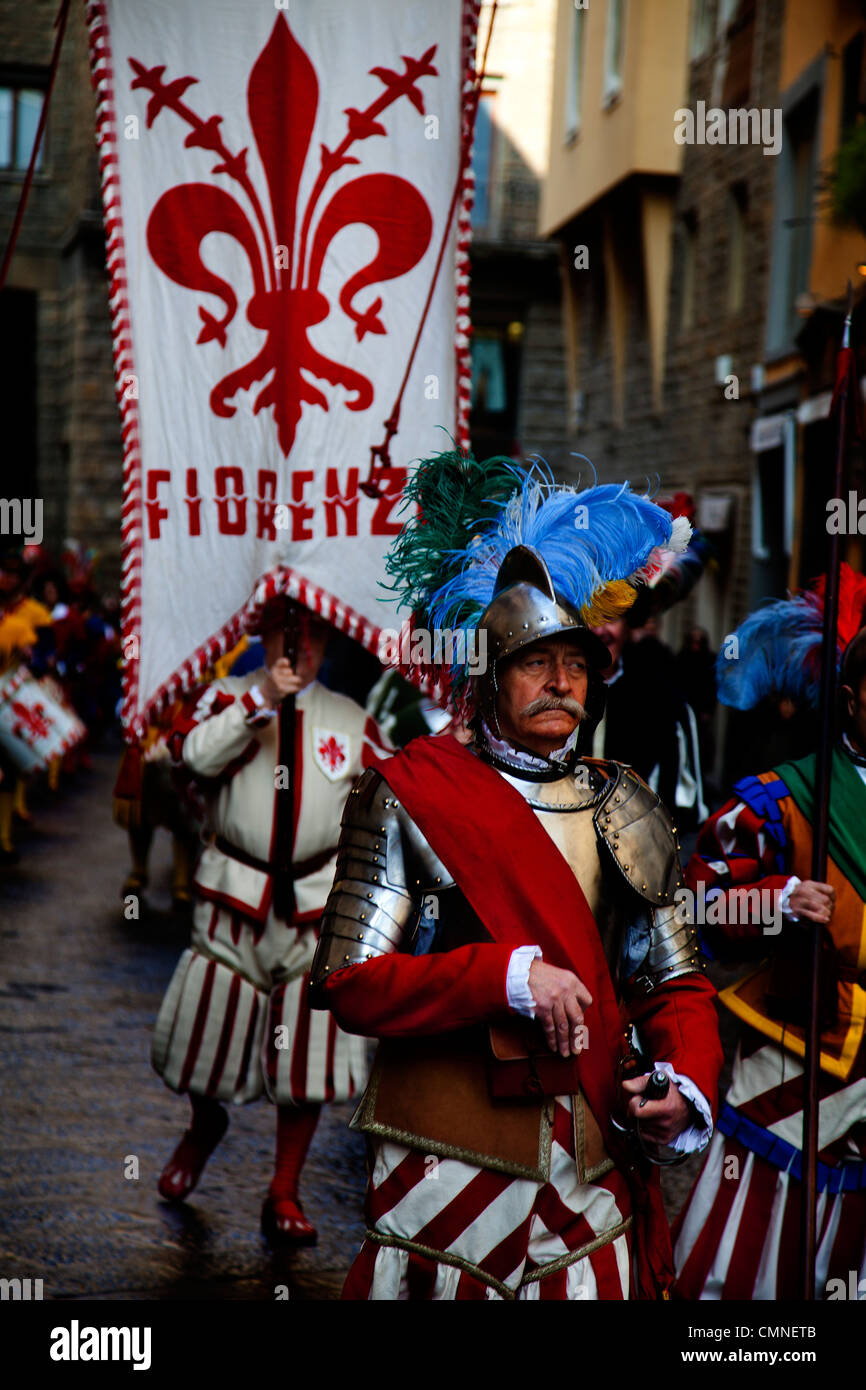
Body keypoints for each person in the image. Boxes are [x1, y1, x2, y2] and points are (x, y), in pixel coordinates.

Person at [309, 456, 723, 1300]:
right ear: (489, 677)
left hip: (592, 1156)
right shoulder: (408, 793)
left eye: (577, 664)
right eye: (537, 662)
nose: (562, 682)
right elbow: (351, 986)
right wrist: (503, 975)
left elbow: (675, 980)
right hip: (447, 1160)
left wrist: (686, 1084)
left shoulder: (625, 802)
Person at [151, 589, 390, 1244]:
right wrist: (258, 702)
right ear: (263, 635)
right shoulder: (225, 696)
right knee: (206, 1032)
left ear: (327, 641)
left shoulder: (349, 717)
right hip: (233, 895)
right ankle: (205, 1125)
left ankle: (283, 1188)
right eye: (286, 634)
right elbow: (192, 759)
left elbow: (393, 799)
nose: (299, 647)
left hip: (315, 906)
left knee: (309, 1051)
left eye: (311, 635)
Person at [673, 597, 866, 1300]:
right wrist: (778, 901)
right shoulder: (779, 800)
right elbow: (695, 906)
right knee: (752, 1264)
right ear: (849, 699)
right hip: (798, 1052)